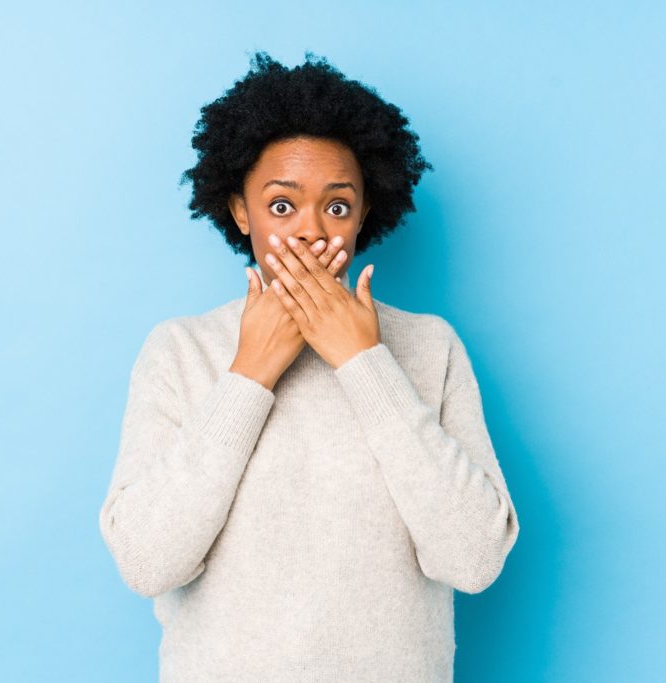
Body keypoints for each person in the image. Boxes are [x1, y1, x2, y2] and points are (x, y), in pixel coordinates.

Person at [99, 50, 520, 682]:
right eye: (280, 206)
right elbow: (146, 562)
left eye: (338, 206)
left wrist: (364, 362)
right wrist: (248, 374)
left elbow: (474, 559)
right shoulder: (180, 351)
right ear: (241, 211)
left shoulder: (429, 348)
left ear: (364, 215)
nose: (311, 233)